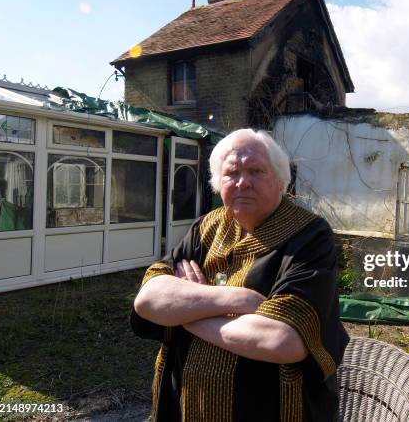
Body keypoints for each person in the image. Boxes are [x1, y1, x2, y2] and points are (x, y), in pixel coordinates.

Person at [131, 128, 349, 421]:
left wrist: (188, 313)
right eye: (231, 173)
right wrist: (236, 299)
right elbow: (148, 299)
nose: (243, 182)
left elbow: (283, 341)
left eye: (256, 171)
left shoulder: (309, 236)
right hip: (186, 408)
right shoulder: (207, 227)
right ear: (218, 184)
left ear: (281, 181)